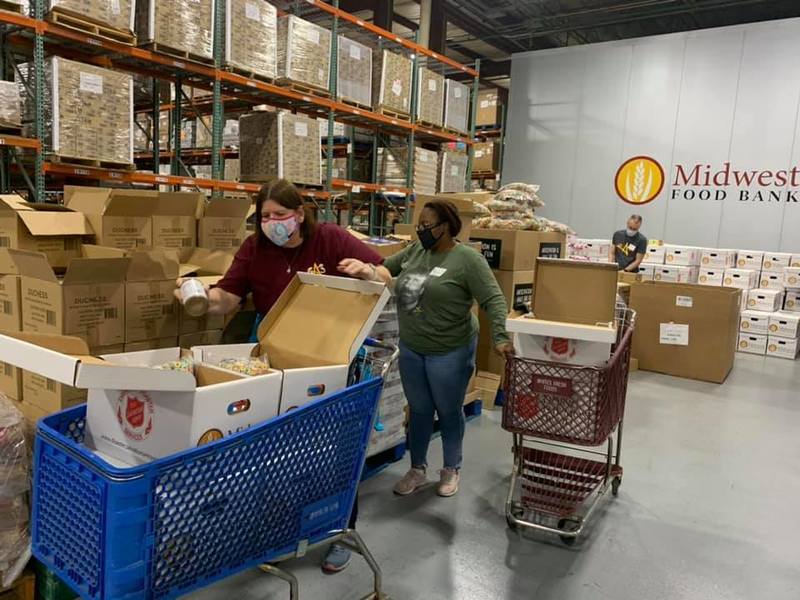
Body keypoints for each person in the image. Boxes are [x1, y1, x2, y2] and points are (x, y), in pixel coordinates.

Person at [176, 178, 385, 574]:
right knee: (279, 450)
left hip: (332, 356)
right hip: (277, 356)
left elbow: (386, 274)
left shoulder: (330, 239)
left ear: (299, 215)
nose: (273, 223)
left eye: (280, 215)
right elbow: (229, 296)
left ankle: (340, 530)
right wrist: (200, 299)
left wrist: (369, 272)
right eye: (265, 217)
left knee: (336, 446)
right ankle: (281, 527)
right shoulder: (255, 249)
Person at [345, 200, 514, 498]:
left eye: (427, 226)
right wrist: (367, 270)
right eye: (418, 225)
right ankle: (417, 469)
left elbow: (493, 299)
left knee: (448, 411)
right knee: (420, 410)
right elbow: (385, 268)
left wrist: (501, 337)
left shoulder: (467, 260)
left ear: (445, 227)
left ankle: (451, 468)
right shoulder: (416, 251)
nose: (420, 231)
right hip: (413, 346)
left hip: (450, 349)